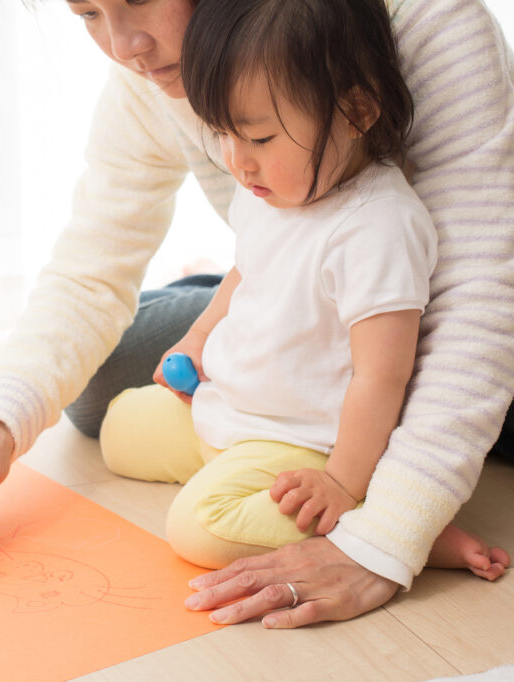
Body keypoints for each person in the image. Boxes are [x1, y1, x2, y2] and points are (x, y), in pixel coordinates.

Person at [0, 0, 514, 628]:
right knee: (97, 398)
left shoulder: (427, 25)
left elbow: (480, 295)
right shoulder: (154, 81)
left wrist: (390, 530)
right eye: (87, 14)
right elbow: (97, 266)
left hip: (430, 322)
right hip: (305, 302)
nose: (124, 45)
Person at [97, 0, 508, 583]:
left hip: (299, 442)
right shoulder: (269, 188)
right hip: (233, 407)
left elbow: (382, 377)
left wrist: (344, 483)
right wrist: (194, 341)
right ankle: (229, 458)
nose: (237, 163)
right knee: (118, 426)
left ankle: (390, 518)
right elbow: (244, 272)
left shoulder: (378, 226)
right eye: (222, 134)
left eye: (259, 137)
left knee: (198, 527)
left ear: (357, 110)